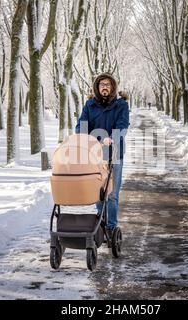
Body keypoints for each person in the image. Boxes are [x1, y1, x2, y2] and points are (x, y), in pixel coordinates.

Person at [75, 73, 130, 238]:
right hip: (95, 154)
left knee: (112, 193)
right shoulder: (89, 105)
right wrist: (97, 139)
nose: (105, 87)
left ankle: (112, 227)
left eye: (108, 84)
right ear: (97, 88)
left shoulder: (121, 105)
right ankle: (101, 225)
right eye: (101, 84)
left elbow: (122, 125)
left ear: (113, 87)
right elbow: (81, 127)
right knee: (98, 192)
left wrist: (112, 139)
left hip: (115, 153)